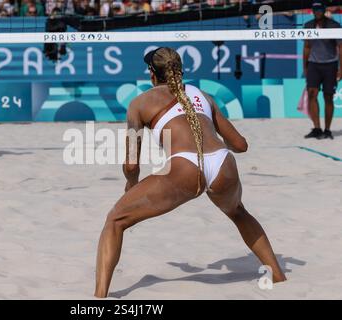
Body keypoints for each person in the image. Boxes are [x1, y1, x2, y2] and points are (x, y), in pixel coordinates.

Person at [94, 47, 286, 298]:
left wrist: (131, 186)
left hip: (184, 167)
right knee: (238, 212)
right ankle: (279, 276)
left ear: (152, 74)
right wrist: (208, 142)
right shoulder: (203, 96)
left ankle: (99, 297)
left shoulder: (140, 103)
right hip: (222, 164)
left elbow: (131, 165)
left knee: (115, 220)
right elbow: (240, 145)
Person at [303, 1, 342, 140]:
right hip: (314, 64)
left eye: (319, 9)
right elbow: (307, 47)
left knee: (328, 97)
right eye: (315, 9)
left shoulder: (334, 25)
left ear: (324, 10)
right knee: (312, 94)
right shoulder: (308, 25)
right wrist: (305, 66)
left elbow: (340, 48)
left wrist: (340, 69)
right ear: (312, 10)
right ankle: (317, 128)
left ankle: (327, 129)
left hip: (330, 65)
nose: (317, 11)